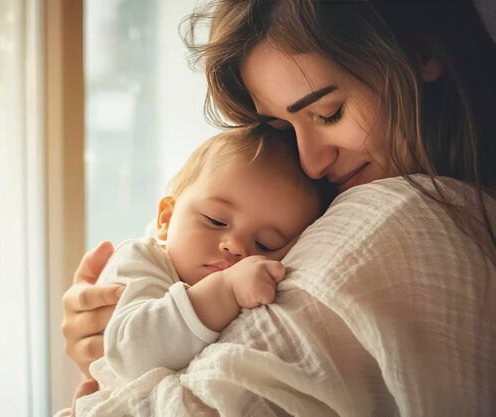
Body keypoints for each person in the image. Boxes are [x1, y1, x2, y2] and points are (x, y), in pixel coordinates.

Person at [60, 0, 496, 415]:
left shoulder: (401, 218)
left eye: (329, 113)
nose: (309, 161)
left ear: (422, 50)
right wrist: (112, 324)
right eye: (282, 127)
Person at [83, 126, 324, 396]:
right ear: (166, 219)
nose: (235, 246)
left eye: (265, 244)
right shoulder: (141, 260)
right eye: (216, 220)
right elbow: (133, 353)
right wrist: (225, 289)